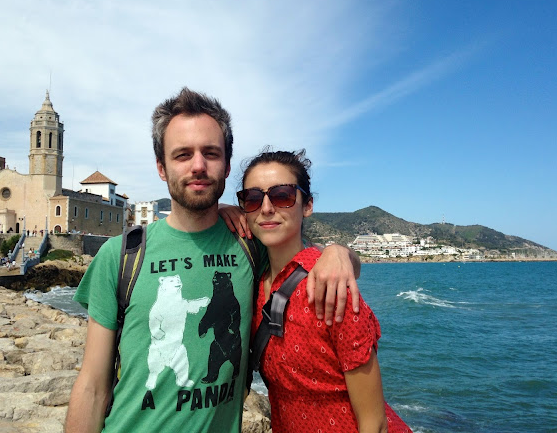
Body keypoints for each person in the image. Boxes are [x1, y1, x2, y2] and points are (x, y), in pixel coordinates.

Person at [65, 88, 360, 433]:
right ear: (161, 167)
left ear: (227, 165)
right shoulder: (121, 256)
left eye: (210, 153)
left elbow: (315, 262)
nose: (198, 166)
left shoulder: (251, 245)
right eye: (182, 155)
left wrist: (339, 253)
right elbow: (92, 386)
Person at [237, 148, 412, 433]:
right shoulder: (254, 282)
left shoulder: (332, 288)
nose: (266, 208)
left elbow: (375, 423)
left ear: (307, 205)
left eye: (282, 195)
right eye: (253, 198)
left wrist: (338, 251)